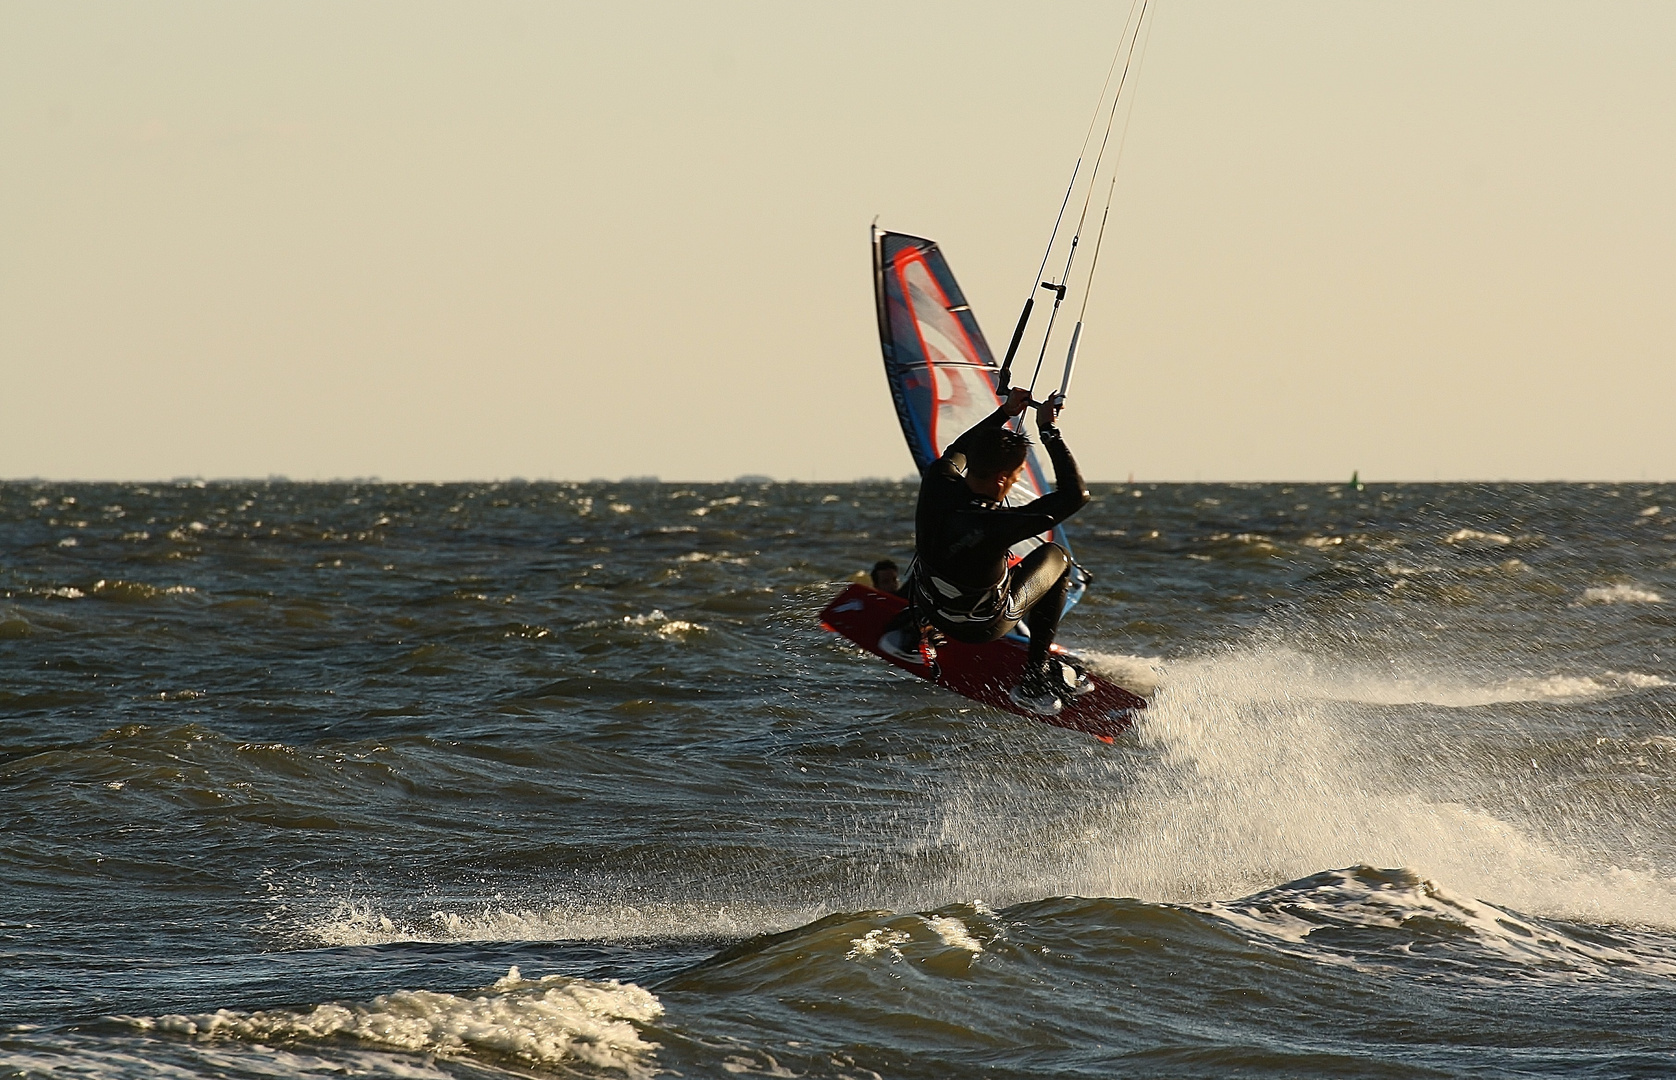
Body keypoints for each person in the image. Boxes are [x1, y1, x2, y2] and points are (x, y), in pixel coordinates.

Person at [879, 388, 1091, 716]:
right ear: (1002, 479)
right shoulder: (999, 524)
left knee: (956, 567)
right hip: (980, 627)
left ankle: (913, 629)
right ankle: (1034, 680)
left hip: (930, 608)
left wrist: (1004, 413)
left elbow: (956, 450)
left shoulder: (937, 480)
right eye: (1017, 477)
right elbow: (1076, 494)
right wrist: (1048, 429)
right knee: (1057, 557)